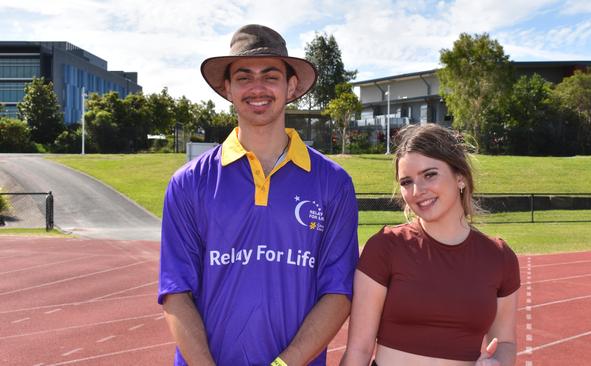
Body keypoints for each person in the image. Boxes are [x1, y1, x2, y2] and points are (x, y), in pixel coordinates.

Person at [158, 24, 359, 366]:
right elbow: (176, 291)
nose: (257, 88)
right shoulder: (189, 183)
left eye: (270, 76)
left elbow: (338, 292)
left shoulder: (333, 182)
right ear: (227, 88)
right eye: (243, 77)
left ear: (291, 86)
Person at [341, 124, 520, 366]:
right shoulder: (385, 247)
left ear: (460, 177)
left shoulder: (500, 258)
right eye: (406, 182)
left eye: (429, 175)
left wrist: (498, 362)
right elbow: (358, 351)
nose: (417, 191)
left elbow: (505, 342)